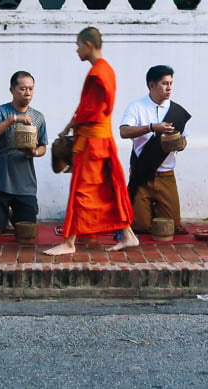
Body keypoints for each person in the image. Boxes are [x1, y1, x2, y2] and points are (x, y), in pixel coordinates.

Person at [44, 27, 138, 256]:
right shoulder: (104, 70)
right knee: (107, 190)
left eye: (78, 45)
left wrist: (72, 126)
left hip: (93, 143)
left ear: (88, 44)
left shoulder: (99, 72)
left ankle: (68, 242)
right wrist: (69, 126)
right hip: (100, 140)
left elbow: (91, 110)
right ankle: (128, 235)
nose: (76, 51)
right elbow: (86, 107)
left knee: (81, 191)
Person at [120, 65, 190, 234]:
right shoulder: (136, 106)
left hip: (166, 176)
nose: (169, 88)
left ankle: (154, 210)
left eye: (171, 83)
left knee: (171, 226)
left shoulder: (177, 111)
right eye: (164, 83)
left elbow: (184, 141)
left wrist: (178, 144)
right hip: (142, 175)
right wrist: (152, 127)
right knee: (140, 226)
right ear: (152, 85)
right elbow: (124, 131)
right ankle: (145, 210)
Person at [0, 71, 47, 235]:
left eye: (31, 89)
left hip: (24, 182)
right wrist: (12, 120)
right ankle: (1, 216)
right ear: (12, 90)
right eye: (23, 88)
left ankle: (12, 215)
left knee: (26, 231)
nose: (28, 93)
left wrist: (35, 152)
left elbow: (43, 146)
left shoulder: (38, 117)